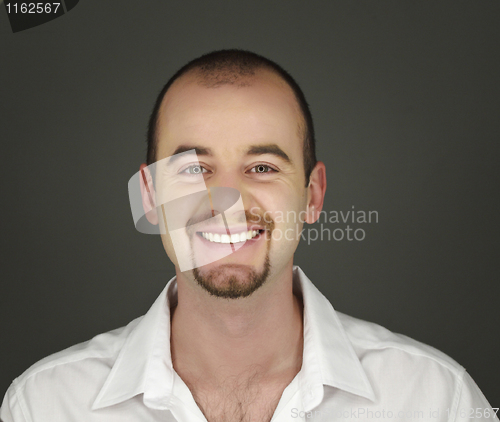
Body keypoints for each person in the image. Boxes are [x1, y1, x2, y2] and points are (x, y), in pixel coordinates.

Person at [1, 49, 497, 422]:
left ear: (312, 195)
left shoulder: (435, 400)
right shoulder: (44, 405)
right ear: (149, 196)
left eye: (261, 167)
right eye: (195, 168)